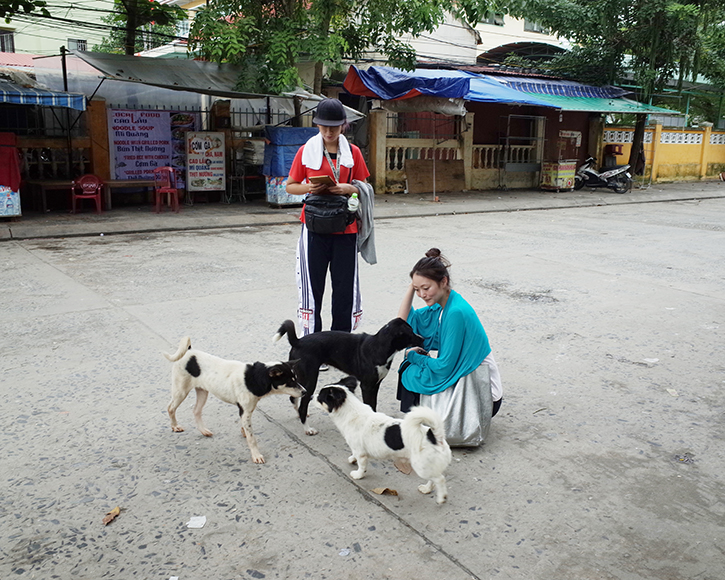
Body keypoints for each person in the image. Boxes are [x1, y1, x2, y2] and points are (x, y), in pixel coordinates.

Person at [286, 98, 371, 336]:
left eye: (334, 127)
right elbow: (290, 185)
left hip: (345, 227)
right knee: (313, 287)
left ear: (343, 125)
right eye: (324, 126)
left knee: (344, 288)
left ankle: (341, 341)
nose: (329, 132)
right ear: (317, 124)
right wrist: (309, 188)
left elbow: (364, 187)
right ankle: (313, 340)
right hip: (314, 227)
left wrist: (349, 188)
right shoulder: (306, 151)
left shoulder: (353, 152)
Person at [396, 248, 503, 417]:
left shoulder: (454, 312)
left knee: (410, 371)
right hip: (469, 382)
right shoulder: (444, 304)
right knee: (411, 367)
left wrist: (414, 356)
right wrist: (412, 286)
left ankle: (420, 423)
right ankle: (420, 420)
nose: (421, 294)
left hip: (483, 397)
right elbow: (402, 324)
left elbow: (444, 367)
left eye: (426, 288)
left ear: (443, 281)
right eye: (417, 290)